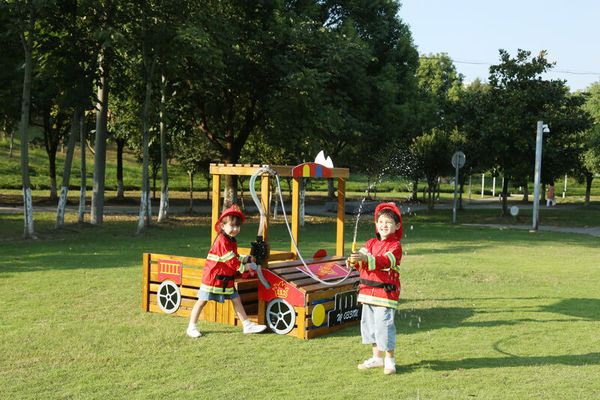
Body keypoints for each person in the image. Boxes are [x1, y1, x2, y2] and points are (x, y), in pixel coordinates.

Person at [187, 204, 267, 337]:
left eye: (238, 226)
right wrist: (244, 267)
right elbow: (230, 260)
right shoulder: (221, 240)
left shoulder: (231, 240)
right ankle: (191, 326)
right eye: (232, 226)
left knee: (236, 300)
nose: (235, 229)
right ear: (223, 226)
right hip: (213, 278)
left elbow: (234, 255)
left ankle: (247, 325)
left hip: (225, 279)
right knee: (202, 301)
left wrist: (247, 258)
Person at [347, 202, 403, 375]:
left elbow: (386, 261)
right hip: (367, 294)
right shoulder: (370, 243)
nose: (384, 225)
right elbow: (361, 262)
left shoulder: (395, 247)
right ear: (376, 225)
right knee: (370, 327)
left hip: (384, 295)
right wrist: (353, 260)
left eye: (388, 222)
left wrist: (365, 258)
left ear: (397, 226)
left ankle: (389, 361)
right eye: (381, 222)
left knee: (384, 327)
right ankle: (377, 358)